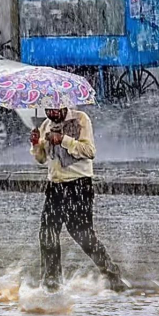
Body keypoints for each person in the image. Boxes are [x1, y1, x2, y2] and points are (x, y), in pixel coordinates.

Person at [30, 107, 124, 292]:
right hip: (55, 186)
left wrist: (63, 140)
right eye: (48, 110)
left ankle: (111, 272)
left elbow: (89, 151)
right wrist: (35, 145)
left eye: (55, 109)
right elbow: (42, 159)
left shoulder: (81, 119)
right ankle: (52, 281)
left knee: (82, 235)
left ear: (64, 105)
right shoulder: (46, 125)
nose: (52, 114)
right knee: (47, 234)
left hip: (78, 186)